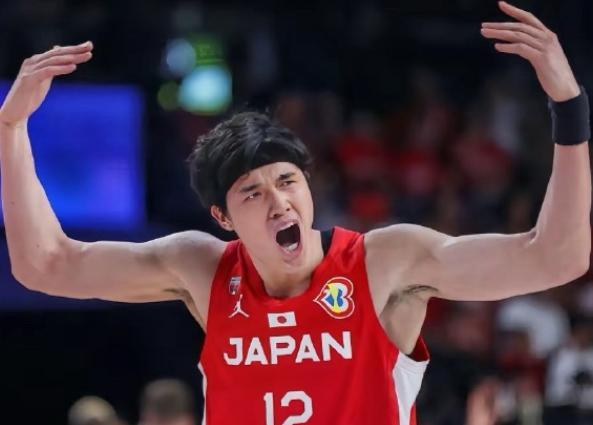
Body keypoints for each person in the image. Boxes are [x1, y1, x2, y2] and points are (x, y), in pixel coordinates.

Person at [0, 2, 590, 424]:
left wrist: (569, 108)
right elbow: (44, 264)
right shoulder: (202, 269)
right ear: (223, 217)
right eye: (253, 193)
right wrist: (11, 127)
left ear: (309, 187)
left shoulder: (385, 262)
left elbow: (555, 258)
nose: (279, 200)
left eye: (287, 182)